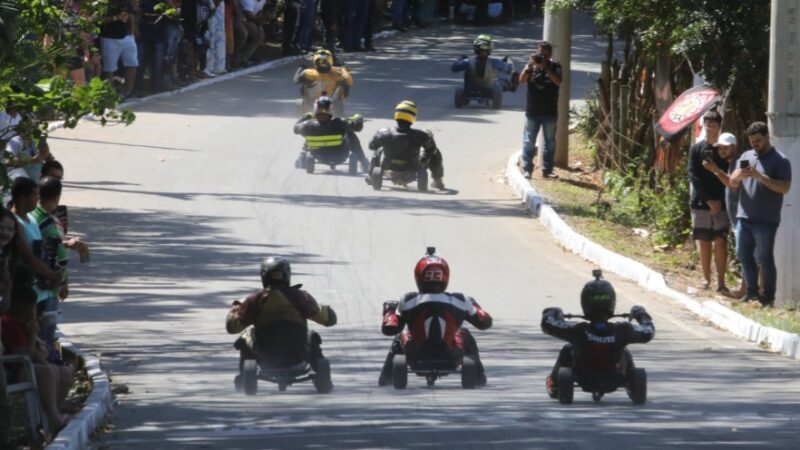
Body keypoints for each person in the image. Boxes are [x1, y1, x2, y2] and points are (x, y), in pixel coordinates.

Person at [378, 247, 493, 386]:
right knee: (466, 334)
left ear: (419, 277)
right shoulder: (460, 300)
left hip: (416, 355)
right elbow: (484, 323)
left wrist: (389, 312)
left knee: (399, 337)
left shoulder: (408, 300)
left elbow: (390, 329)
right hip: (451, 355)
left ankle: (386, 378)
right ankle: (479, 377)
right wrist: (475, 306)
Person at [225, 257, 337, 389]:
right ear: (287, 275)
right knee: (312, 336)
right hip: (297, 353)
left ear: (264, 277)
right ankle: (322, 378)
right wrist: (324, 309)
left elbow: (232, 327)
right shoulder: (301, 297)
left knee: (245, 337)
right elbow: (329, 320)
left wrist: (235, 310)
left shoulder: (254, 300)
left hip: (266, 353)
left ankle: (243, 376)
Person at [540, 271, 654, 398]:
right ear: (612, 302)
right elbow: (647, 331)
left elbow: (548, 324)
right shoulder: (623, 330)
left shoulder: (577, 330)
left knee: (568, 349)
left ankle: (555, 384)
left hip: (584, 377)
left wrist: (552, 312)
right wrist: (641, 314)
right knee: (624, 352)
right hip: (614, 377)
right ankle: (632, 381)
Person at [729, 122, 792, 306]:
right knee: (743, 254)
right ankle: (751, 293)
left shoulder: (780, 160)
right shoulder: (746, 156)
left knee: (764, 258)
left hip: (765, 219)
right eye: (751, 141)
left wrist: (759, 177)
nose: (754, 144)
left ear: (767, 137)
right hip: (744, 216)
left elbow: (784, 187)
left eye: (758, 140)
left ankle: (768, 298)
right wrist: (740, 175)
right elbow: (732, 182)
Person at [2, 277, 74, 436]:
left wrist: (38, 339)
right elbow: (24, 355)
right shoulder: (10, 324)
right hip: (13, 370)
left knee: (64, 372)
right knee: (48, 372)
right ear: (24, 307)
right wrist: (34, 335)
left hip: (29, 364)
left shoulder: (24, 323)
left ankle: (52, 417)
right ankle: (54, 419)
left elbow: (36, 349)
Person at [687, 111, 730, 293]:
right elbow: (693, 175)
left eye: (713, 125)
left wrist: (719, 201)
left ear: (719, 126)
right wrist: (708, 200)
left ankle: (721, 282)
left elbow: (730, 176)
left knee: (721, 242)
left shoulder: (725, 149)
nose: (710, 129)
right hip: (701, 203)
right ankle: (706, 279)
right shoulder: (696, 149)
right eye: (707, 125)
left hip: (722, 204)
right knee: (703, 242)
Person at [702, 132, 745, 297]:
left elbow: (732, 184)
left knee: (746, 254)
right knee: (744, 253)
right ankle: (745, 289)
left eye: (726, 148)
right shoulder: (732, 162)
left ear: (734, 147)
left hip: (743, 215)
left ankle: (746, 290)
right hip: (736, 215)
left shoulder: (740, 162)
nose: (722, 151)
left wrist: (715, 170)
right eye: (720, 148)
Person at [367, 100, 446, 190]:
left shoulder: (384, 132)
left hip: (388, 167)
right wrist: (430, 139)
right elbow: (432, 150)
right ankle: (437, 180)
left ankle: (370, 176)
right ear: (413, 116)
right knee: (435, 153)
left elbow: (371, 146)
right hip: (412, 169)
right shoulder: (420, 135)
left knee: (377, 151)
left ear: (396, 115)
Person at [29, 177, 69, 348]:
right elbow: (60, 256)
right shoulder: (46, 221)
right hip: (48, 285)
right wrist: (64, 281)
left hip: (36, 283)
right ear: (56, 198)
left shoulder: (32, 216)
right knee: (47, 334)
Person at [519, 41, 562, 179]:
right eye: (540, 53)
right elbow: (522, 80)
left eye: (545, 54)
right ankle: (527, 169)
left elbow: (558, 81)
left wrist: (545, 68)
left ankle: (547, 170)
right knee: (529, 141)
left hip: (549, 112)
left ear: (550, 55)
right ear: (536, 52)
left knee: (549, 142)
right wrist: (529, 67)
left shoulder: (555, 66)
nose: (542, 56)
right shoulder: (530, 67)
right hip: (532, 111)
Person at [293, 96, 369, 172]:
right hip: (340, 155)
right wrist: (357, 117)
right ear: (331, 110)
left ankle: (301, 160)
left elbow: (296, 128)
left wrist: (307, 116)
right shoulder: (340, 123)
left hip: (318, 155)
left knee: (309, 136)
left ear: (315, 110)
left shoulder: (307, 125)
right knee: (350, 134)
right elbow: (357, 127)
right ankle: (364, 162)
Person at [451, 34, 518, 94]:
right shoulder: (494, 62)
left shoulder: (468, 62)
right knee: (503, 82)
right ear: (490, 48)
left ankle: (464, 97)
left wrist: (461, 59)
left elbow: (454, 68)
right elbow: (510, 69)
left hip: (471, 88)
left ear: (475, 48)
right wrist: (508, 61)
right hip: (490, 89)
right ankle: (512, 87)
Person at [293, 49, 353, 116]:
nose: (322, 65)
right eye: (320, 62)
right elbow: (296, 81)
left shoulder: (336, 73)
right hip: (311, 101)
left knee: (344, 86)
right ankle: (307, 106)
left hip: (331, 101)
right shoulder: (309, 73)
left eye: (325, 62)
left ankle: (337, 109)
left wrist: (301, 68)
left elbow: (349, 83)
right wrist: (343, 70)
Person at [99, 0, 138, 98]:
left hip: (126, 37)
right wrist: (116, 18)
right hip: (109, 38)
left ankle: (128, 92)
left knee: (133, 64)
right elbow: (99, 19)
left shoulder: (125, 2)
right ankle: (111, 94)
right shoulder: (102, 3)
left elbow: (131, 16)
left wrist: (132, 34)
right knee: (110, 68)